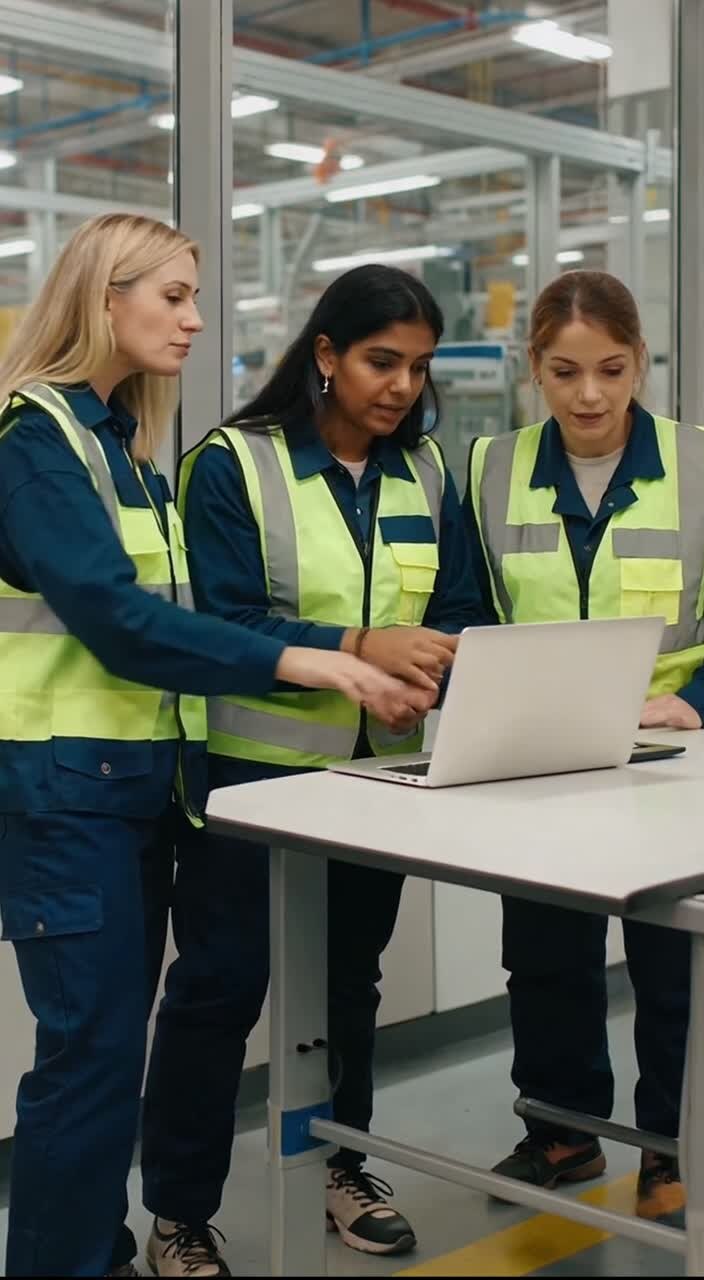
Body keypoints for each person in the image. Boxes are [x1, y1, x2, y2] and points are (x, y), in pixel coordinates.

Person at [0, 216, 431, 1279]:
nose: (196, 320)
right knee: (90, 1064)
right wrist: (313, 661)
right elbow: (114, 618)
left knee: (104, 1060)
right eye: (174, 296)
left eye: (195, 296)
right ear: (106, 298)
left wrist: (325, 656)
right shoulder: (34, 438)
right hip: (64, 794)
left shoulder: (121, 448)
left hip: (135, 791)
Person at [140, 264, 487, 1273]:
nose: (402, 386)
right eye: (383, 361)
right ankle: (178, 1211)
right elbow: (218, 622)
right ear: (326, 355)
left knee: (347, 984)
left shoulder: (426, 471)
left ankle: (343, 1162)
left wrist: (441, 653)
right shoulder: (232, 466)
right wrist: (361, 642)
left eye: (419, 368)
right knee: (219, 987)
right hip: (250, 784)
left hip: (381, 785)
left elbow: (459, 603)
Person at [464, 269, 704, 1220]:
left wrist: (701, 701)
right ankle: (562, 1135)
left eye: (612, 369)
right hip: (541, 761)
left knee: (674, 966)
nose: (590, 396)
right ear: (534, 368)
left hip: (674, 763)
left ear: (641, 361)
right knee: (545, 958)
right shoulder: (490, 465)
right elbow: (464, 608)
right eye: (565, 372)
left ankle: (672, 1150)